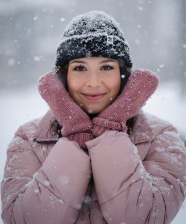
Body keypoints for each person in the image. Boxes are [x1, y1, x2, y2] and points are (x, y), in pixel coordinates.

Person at [1, 11, 186, 224]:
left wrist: (110, 130)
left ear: (124, 76)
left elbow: (143, 217)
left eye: (106, 67)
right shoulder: (29, 138)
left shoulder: (161, 137)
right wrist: (75, 135)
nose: (93, 82)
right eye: (80, 68)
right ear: (63, 76)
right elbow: (24, 220)